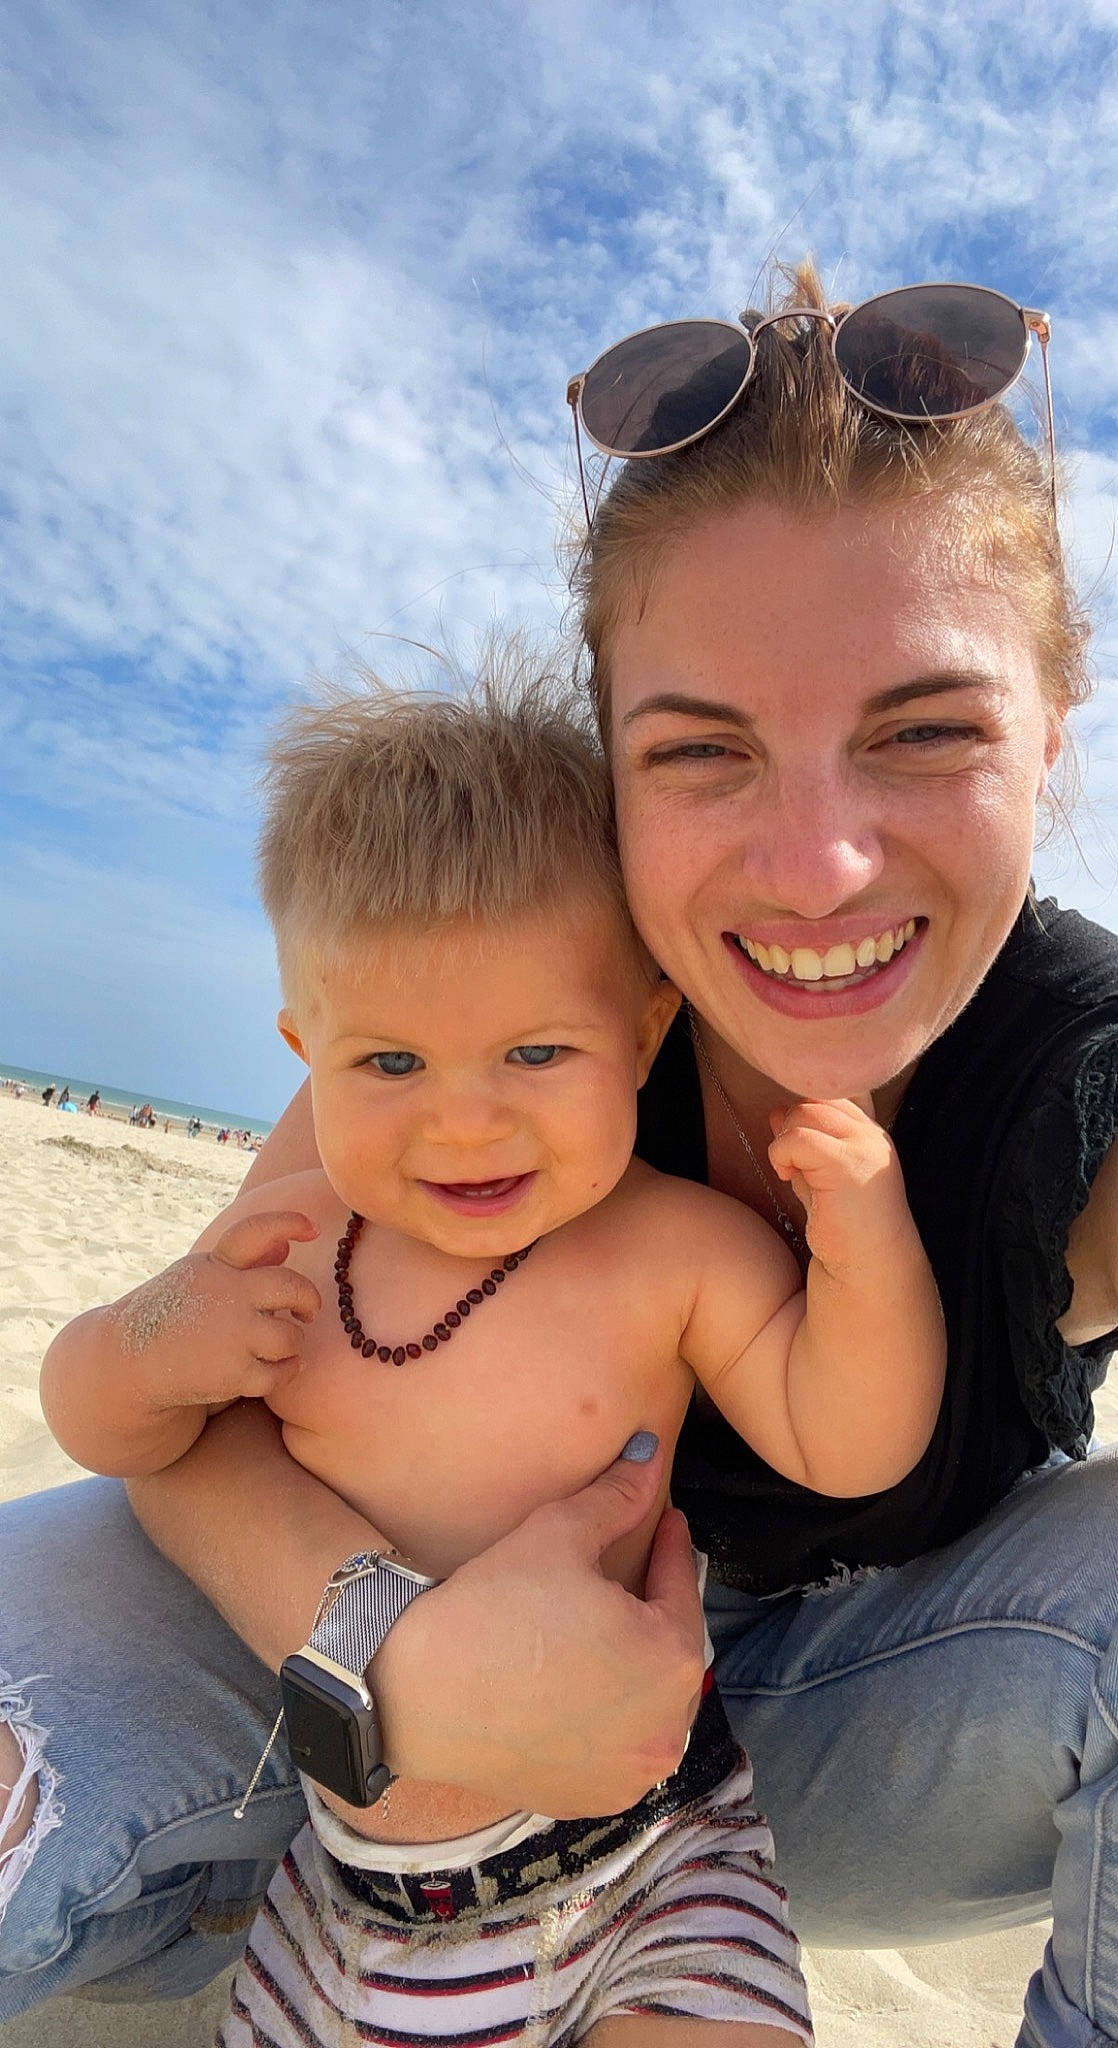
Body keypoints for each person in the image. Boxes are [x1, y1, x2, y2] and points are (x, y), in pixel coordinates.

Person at [2, 262, 1117, 2048]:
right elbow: (172, 1426)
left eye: (924, 728)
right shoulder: (484, 1009)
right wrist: (391, 1659)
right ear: (609, 765)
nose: (816, 867)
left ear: (1051, 732)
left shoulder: (1064, 1079)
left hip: (749, 1774)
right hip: (360, 1742)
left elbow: (854, 1422)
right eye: (701, 750)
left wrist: (870, 1235)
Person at [38, 676, 946, 2044]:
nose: (464, 1124)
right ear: (304, 1051)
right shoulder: (288, 1242)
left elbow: (851, 1436)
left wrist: (865, 1239)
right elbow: (105, 1422)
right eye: (392, 1063)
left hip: (652, 1862)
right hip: (350, 1904)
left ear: (640, 1037)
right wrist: (152, 1345)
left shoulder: (675, 1253)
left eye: (533, 1051)